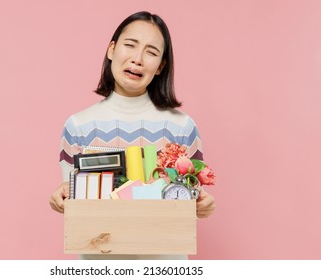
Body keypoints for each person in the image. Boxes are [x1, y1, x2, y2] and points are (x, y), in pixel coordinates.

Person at [50, 11, 216, 260]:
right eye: (130, 45)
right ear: (111, 50)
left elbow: (187, 200)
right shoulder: (78, 126)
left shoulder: (182, 127)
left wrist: (203, 205)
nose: (137, 59)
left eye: (151, 52)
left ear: (160, 66)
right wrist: (62, 198)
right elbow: (75, 202)